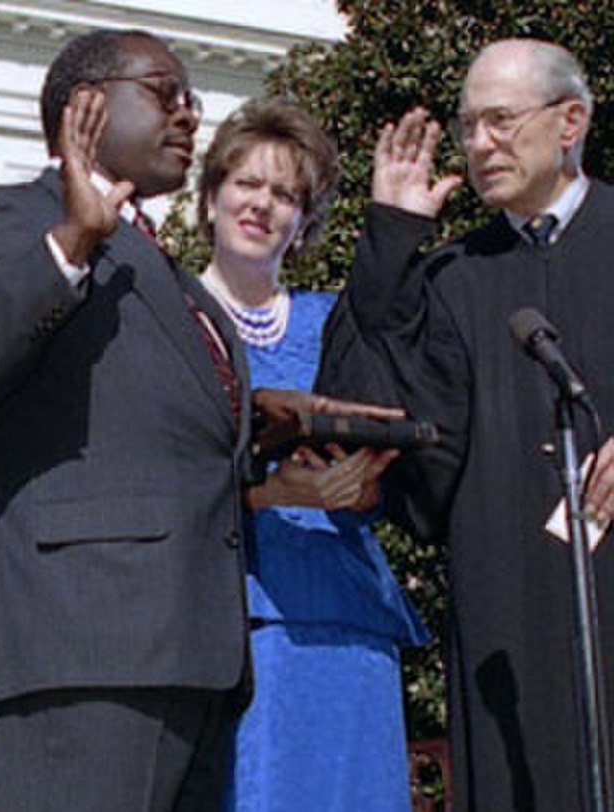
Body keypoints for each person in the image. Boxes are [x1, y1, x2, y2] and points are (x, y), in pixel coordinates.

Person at [0, 30, 399, 812]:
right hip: (86, 654)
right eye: (164, 93)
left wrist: (264, 429)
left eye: (190, 99)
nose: (187, 116)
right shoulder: (10, 217)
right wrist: (69, 242)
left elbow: (160, 439)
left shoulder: (168, 279)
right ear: (87, 107)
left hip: (193, 665)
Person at [317, 38, 614, 811]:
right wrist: (388, 237)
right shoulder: (450, 275)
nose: (479, 144)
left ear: (571, 118)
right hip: (507, 608)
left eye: (502, 121)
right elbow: (363, 417)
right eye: (469, 125)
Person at [196, 97, 428, 812]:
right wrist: (265, 493)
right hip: (239, 628)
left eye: (286, 194)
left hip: (352, 623)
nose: (263, 205)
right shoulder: (171, 320)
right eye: (248, 184)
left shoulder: (338, 323)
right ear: (210, 198)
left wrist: (368, 488)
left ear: (304, 222)